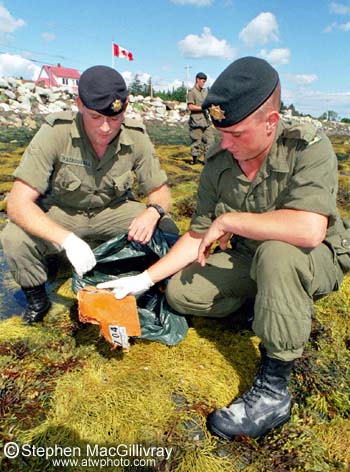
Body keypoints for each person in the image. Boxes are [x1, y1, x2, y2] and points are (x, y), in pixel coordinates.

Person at [97, 56, 350, 439]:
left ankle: (274, 390)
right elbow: (198, 235)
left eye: (236, 133)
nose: (225, 143)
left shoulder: (307, 147)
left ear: (272, 123)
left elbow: (309, 229)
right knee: (183, 293)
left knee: (277, 254)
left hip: (314, 257)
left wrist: (230, 221)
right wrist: (143, 280)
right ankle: (271, 303)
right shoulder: (220, 158)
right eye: (221, 132)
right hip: (250, 255)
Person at [1, 65, 178, 324]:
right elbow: (17, 202)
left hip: (112, 211)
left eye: (114, 118)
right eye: (96, 117)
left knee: (167, 226)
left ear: (125, 108)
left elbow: (160, 192)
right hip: (63, 213)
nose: (106, 128)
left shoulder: (136, 136)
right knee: (14, 236)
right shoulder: (56, 132)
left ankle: (156, 283)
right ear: (79, 104)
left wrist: (153, 212)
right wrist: (66, 240)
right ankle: (37, 298)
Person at [187, 72, 215, 164]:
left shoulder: (205, 91)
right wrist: (202, 107)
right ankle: (194, 160)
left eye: (205, 81)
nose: (204, 83)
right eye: (203, 81)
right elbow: (190, 107)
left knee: (210, 141)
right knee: (196, 142)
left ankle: (206, 161)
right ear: (197, 79)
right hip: (196, 122)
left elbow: (209, 103)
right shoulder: (192, 92)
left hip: (206, 121)